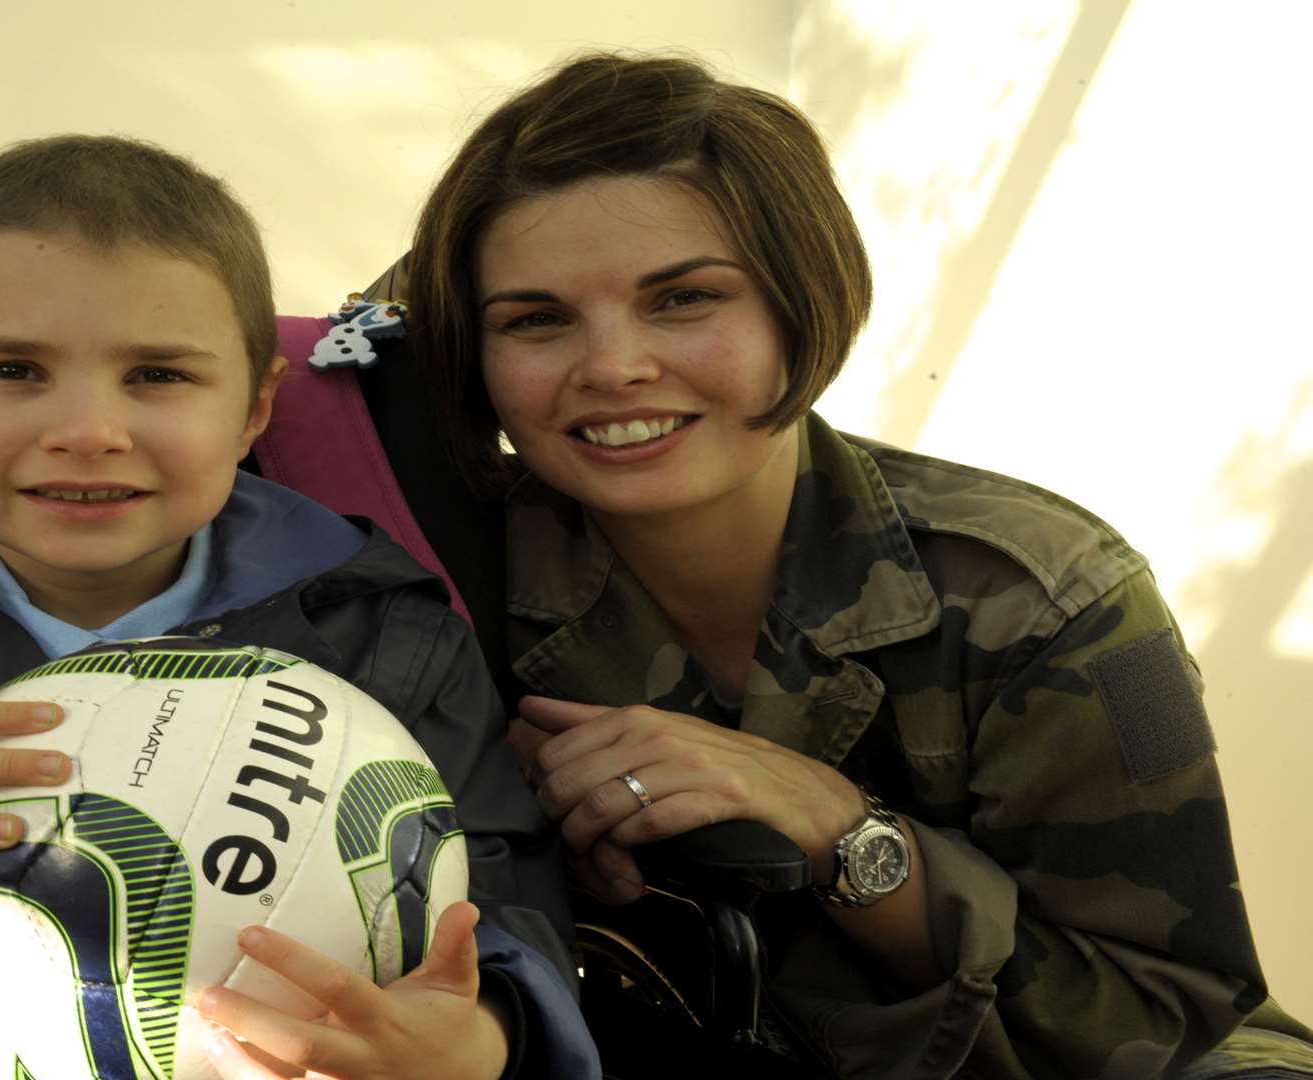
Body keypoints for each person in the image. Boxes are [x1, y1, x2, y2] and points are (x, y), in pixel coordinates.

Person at [398, 52, 1313, 1078]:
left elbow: (1162, 1015)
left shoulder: (1061, 595)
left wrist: (840, 827)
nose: (612, 367)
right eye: (536, 319)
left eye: (686, 299)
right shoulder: (431, 586)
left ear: (802, 301)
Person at [0, 134, 593, 1079]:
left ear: (253, 409)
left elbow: (500, 907)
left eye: (159, 375)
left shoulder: (384, 632)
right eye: (11, 371)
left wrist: (481, 1037)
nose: (89, 433)